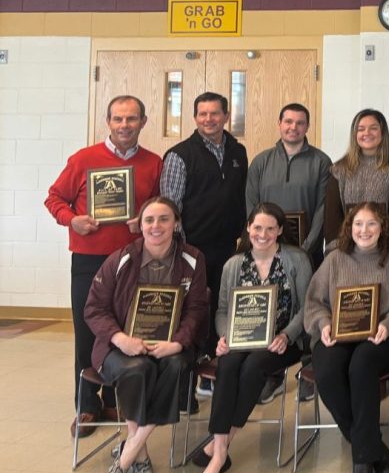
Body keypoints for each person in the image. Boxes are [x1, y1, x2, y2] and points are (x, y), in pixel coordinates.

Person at [45, 94, 163, 438]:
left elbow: (158, 205)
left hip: (131, 261)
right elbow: (54, 198)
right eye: (118, 119)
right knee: (87, 332)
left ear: (143, 121)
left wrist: (143, 218)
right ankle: (86, 406)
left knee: (124, 330)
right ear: (108, 122)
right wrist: (72, 220)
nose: (125, 125)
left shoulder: (153, 162)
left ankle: (114, 399)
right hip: (89, 259)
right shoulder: (83, 159)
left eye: (131, 119)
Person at [83, 197, 208, 473]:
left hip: (171, 348)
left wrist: (177, 343)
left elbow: (197, 309)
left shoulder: (193, 259)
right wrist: (120, 339)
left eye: (164, 219)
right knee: (138, 369)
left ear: (176, 224)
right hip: (119, 348)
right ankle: (140, 449)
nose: (156, 226)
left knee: (175, 366)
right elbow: (94, 309)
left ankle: (130, 449)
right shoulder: (120, 259)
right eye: (149, 220)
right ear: (139, 225)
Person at [191, 202, 313, 473]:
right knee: (229, 365)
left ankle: (218, 448)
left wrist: (286, 334)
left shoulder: (297, 260)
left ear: (280, 230)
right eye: (257, 227)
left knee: (254, 368)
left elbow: (308, 307)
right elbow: (222, 310)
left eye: (271, 228)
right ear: (248, 228)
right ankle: (221, 449)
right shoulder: (234, 264)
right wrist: (223, 337)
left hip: (282, 341)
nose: (263, 234)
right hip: (241, 339)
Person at [305, 201, 389, 473]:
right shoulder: (334, 260)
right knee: (328, 372)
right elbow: (314, 303)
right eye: (358, 224)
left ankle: (361, 465)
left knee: (361, 365)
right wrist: (324, 324)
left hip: (383, 339)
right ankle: (374, 450)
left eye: (371, 224)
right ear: (349, 227)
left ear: (383, 227)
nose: (364, 230)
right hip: (337, 335)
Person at [243, 102, 330, 405]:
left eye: (300, 123)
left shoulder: (321, 161)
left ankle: (309, 370)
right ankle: (273, 376)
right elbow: (252, 204)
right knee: (274, 310)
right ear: (279, 124)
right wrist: (263, 244)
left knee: (310, 307)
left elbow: (323, 207)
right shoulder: (261, 162)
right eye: (288, 122)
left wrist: (306, 246)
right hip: (268, 253)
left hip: (307, 252)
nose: (293, 127)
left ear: (307, 126)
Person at [160, 92, 248, 375]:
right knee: (193, 313)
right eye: (202, 114)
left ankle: (213, 370)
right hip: (192, 249)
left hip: (228, 250)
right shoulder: (179, 155)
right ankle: (186, 380)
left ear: (225, 116)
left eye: (214, 113)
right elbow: (171, 209)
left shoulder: (238, 152)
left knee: (221, 310)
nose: (208, 119)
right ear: (195, 117)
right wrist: (182, 250)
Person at [323, 108, 389, 248]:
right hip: (345, 255)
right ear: (354, 134)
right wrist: (337, 254)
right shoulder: (338, 171)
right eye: (361, 129)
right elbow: (332, 221)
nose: (366, 133)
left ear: (382, 133)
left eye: (373, 128)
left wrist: (387, 253)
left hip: (383, 255)